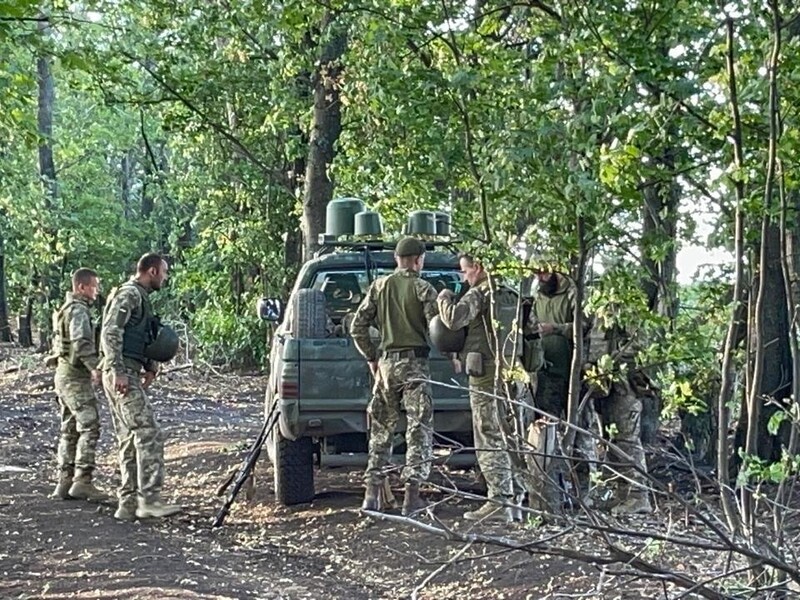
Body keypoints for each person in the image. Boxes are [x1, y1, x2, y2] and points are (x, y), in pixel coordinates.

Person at [350, 237, 438, 516]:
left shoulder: (379, 286)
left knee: (380, 430)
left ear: (396, 259)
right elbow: (438, 329)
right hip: (415, 367)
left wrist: (372, 357)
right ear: (418, 260)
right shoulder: (424, 289)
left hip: (387, 367)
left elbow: (357, 326)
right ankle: (411, 497)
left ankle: (372, 495)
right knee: (418, 429)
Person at [437, 254, 526, 523]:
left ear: (477, 267)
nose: (464, 278)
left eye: (465, 272)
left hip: (487, 374)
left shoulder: (480, 294)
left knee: (488, 435)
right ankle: (517, 499)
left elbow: (453, 320)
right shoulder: (511, 294)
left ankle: (499, 500)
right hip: (514, 372)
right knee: (512, 436)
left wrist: (444, 297)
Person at [100, 253, 181, 521]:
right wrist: (118, 371)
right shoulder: (129, 295)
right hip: (122, 374)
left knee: (129, 437)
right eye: (165, 272)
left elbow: (139, 335)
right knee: (148, 432)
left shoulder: (140, 297)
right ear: (153, 271)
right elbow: (111, 332)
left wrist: (150, 365)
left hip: (127, 371)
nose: (166, 277)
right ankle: (150, 499)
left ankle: (128, 504)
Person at [46, 268, 107, 502]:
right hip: (74, 377)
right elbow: (81, 342)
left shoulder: (65, 309)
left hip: (63, 374)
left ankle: (64, 481)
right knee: (90, 426)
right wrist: (95, 367)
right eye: (94, 286)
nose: (96, 290)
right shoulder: (79, 311)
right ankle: (83, 480)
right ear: (81, 287)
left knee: (69, 429)